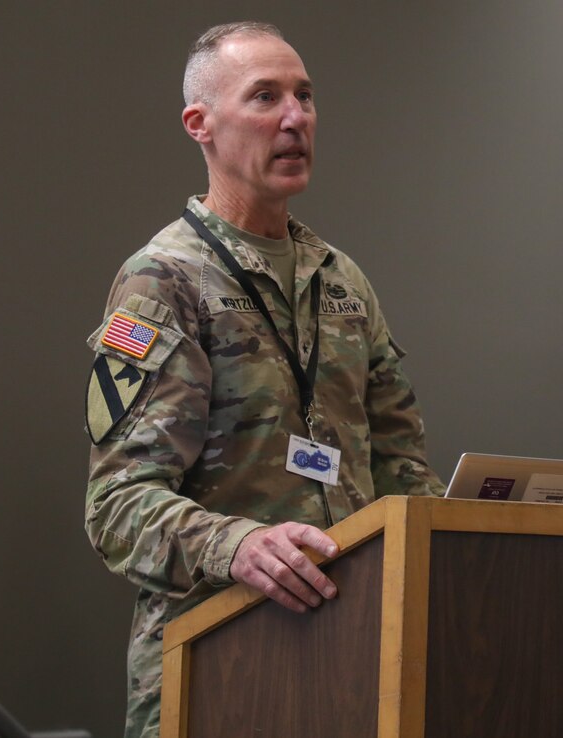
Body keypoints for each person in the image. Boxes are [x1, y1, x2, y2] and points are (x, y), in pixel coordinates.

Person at [83, 21, 444, 738]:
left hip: (353, 662)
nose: (294, 118)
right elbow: (116, 508)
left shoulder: (341, 280)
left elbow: (403, 475)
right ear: (201, 125)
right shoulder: (164, 280)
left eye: (305, 97)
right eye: (265, 97)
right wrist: (239, 546)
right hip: (216, 664)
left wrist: (467, 540)